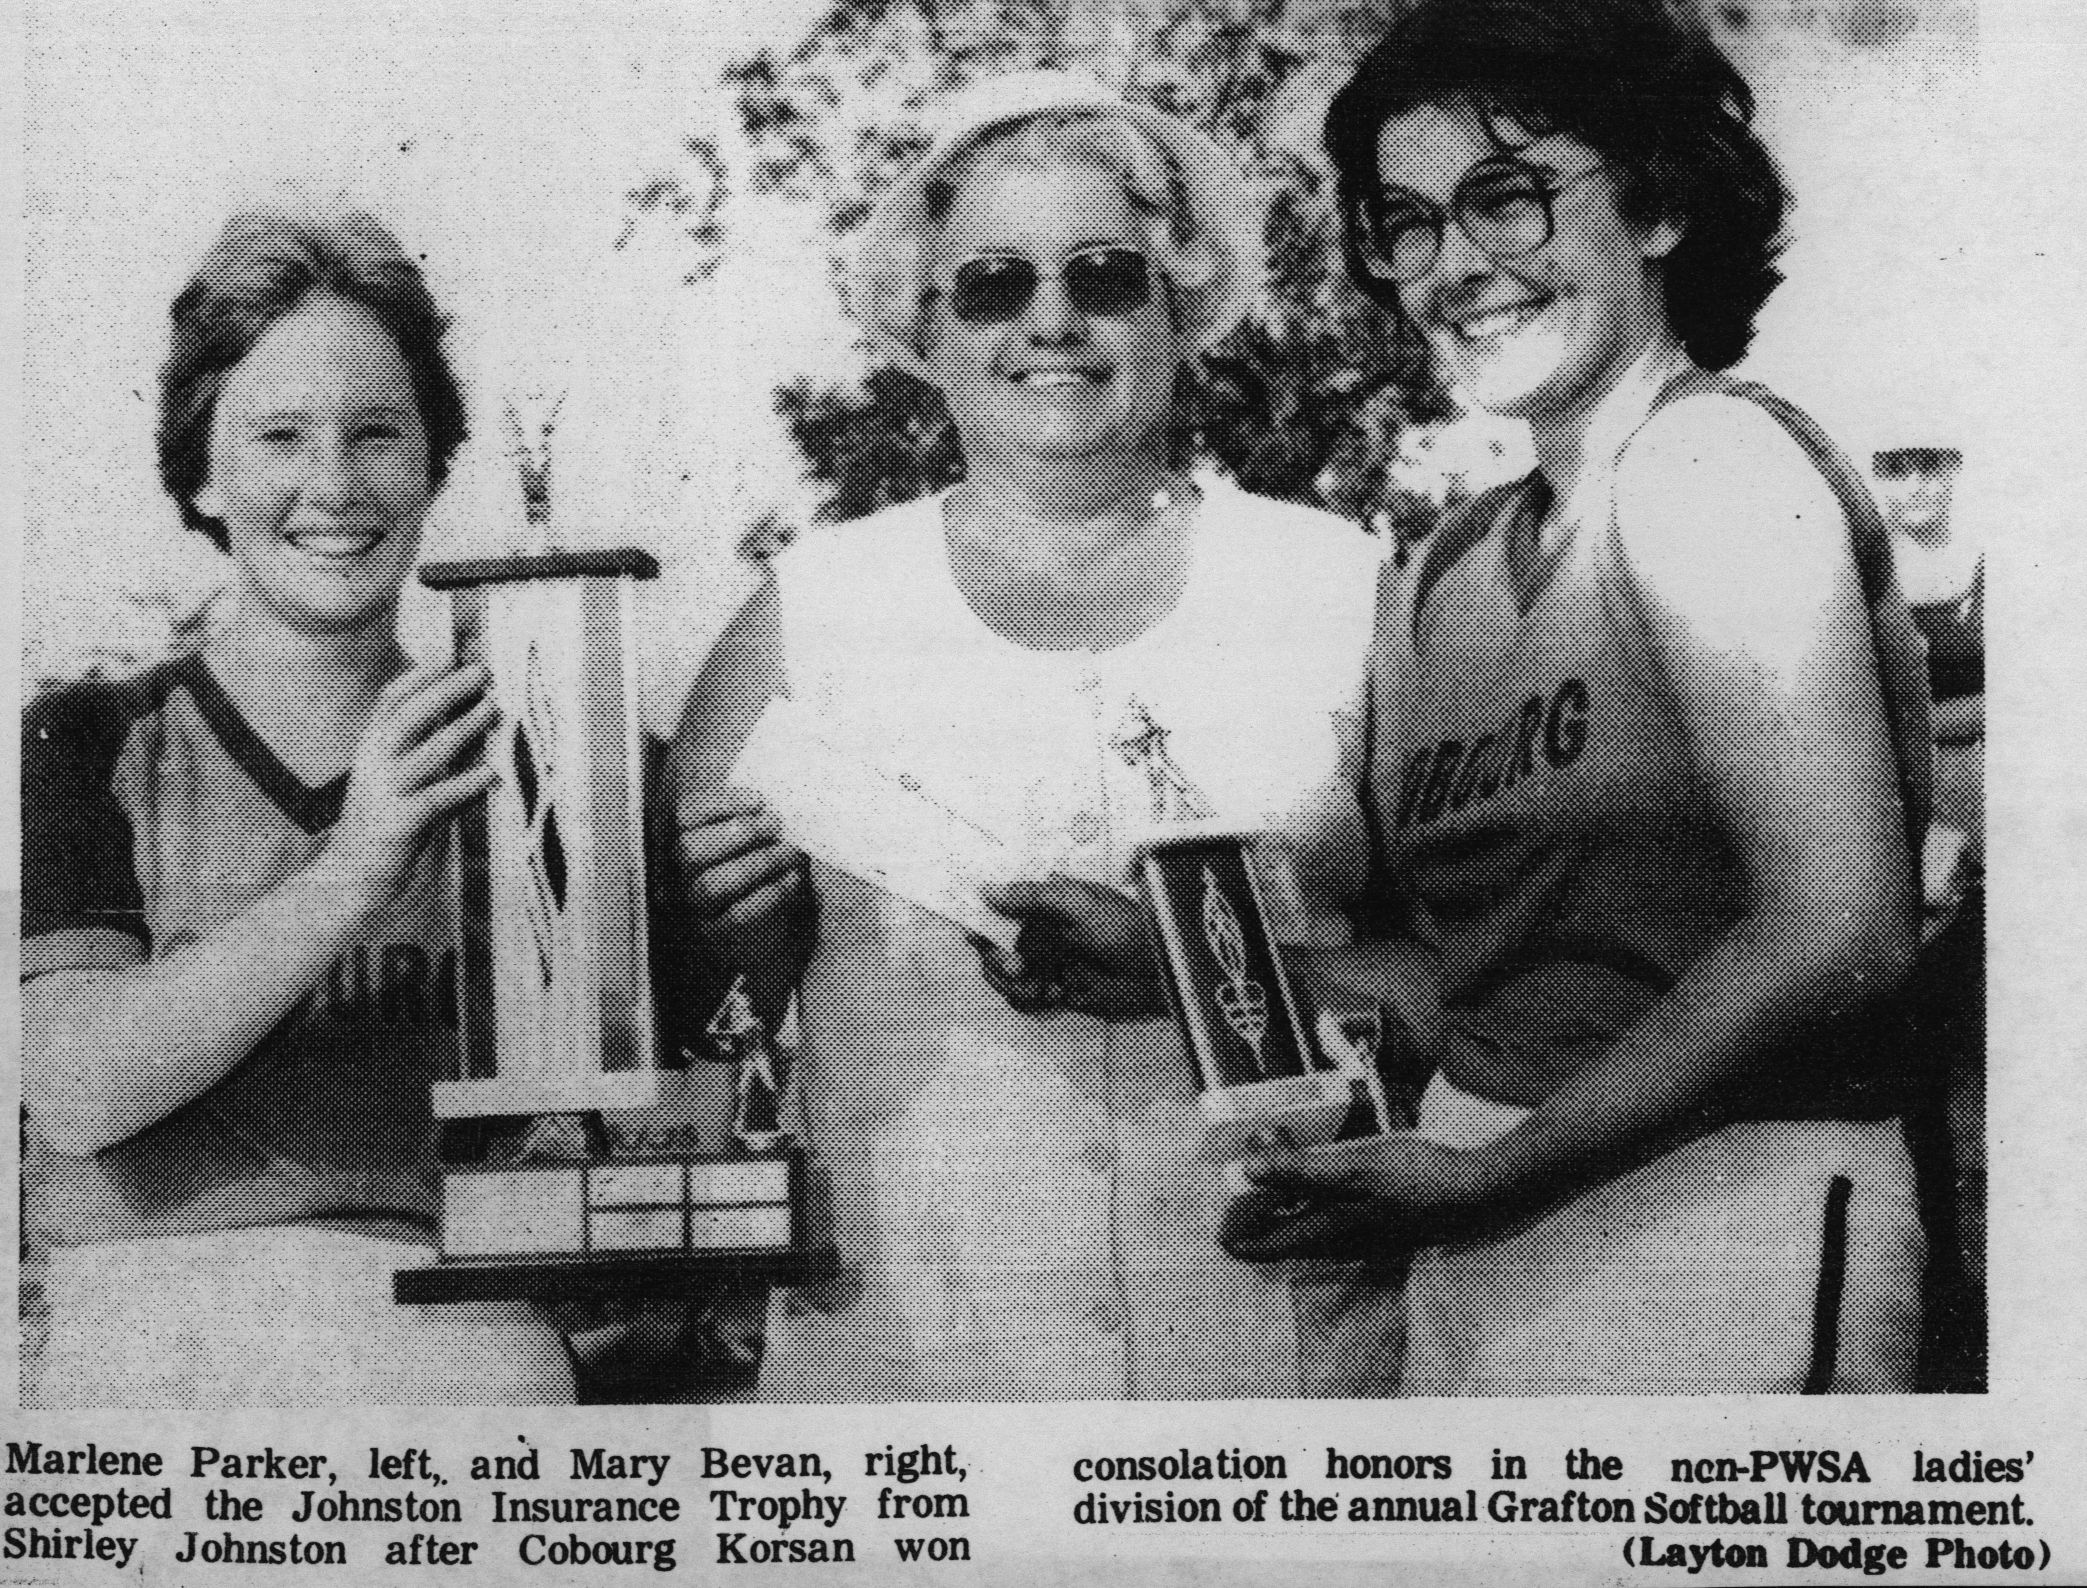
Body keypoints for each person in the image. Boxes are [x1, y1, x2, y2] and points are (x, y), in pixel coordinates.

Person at [1205, 0, 1938, 1393]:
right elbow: (1470, 987)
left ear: (1656, 203)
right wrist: (1169, 955)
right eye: (1405, 223)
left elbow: (1838, 933)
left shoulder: (1709, 465)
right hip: (1479, 1219)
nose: (1452, 266)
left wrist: (1499, 1177)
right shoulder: (1444, 566)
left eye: (1504, 198)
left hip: (1728, 1210)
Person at [664, 70, 1384, 1400]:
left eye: (1102, 275)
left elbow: (1460, 974)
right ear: (926, 322)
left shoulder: (1338, 585)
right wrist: (738, 938)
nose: (1050, 320)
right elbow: (711, 1026)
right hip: (914, 1375)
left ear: (1178, 302)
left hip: (1275, 1365)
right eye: (993, 284)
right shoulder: (802, 614)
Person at [20, 207, 577, 1406]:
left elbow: (642, 1105)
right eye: (279, 435)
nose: (333, 484)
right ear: (203, 472)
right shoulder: (94, 736)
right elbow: (74, 1089)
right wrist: (356, 863)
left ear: (432, 463)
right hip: (159, 1345)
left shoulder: (535, 752)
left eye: (377, 433)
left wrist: (744, 929)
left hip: (458, 1336)